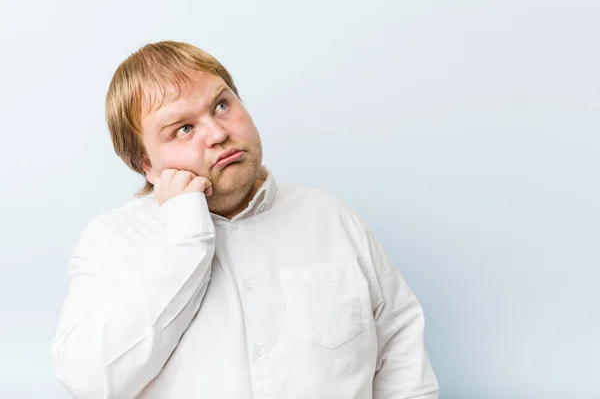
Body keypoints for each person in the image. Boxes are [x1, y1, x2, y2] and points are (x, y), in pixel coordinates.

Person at [51, 40, 439, 399]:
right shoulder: (113, 242)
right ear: (146, 164)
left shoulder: (332, 218)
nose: (217, 133)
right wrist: (186, 239)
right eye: (183, 129)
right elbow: (91, 381)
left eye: (221, 105)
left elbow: (400, 353)